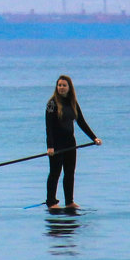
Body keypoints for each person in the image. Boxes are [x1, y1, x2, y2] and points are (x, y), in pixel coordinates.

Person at [45, 74, 101, 210]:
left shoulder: (73, 103)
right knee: (55, 172)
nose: (61, 88)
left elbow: (81, 122)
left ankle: (69, 201)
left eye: (64, 85)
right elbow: (49, 128)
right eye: (59, 85)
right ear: (56, 87)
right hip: (57, 144)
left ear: (69, 88)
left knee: (69, 172)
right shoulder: (51, 104)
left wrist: (94, 138)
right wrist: (50, 146)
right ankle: (51, 202)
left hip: (70, 143)